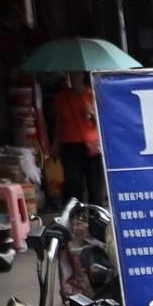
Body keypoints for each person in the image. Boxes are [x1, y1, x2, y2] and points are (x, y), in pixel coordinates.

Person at [51, 75, 105, 208]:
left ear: (82, 76)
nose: (74, 78)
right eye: (72, 74)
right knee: (73, 182)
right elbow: (58, 122)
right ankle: (76, 215)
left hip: (91, 145)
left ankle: (96, 216)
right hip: (70, 145)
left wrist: (91, 113)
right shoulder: (62, 97)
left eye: (77, 75)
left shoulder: (92, 95)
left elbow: (103, 121)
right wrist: (55, 143)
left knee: (95, 185)